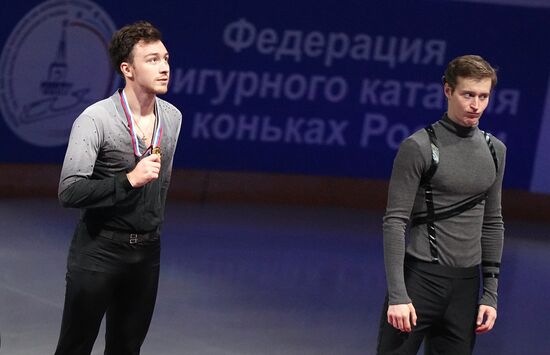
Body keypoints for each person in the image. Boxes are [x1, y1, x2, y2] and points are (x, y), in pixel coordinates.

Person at [54, 21, 181, 355]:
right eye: (152, 59)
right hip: (99, 249)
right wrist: (128, 180)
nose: (165, 67)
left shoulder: (173, 118)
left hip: (146, 254)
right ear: (127, 69)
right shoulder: (95, 119)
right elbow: (69, 191)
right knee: (75, 346)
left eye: (165, 58)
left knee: (127, 349)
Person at [376, 55, 506, 355]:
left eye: (483, 96)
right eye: (468, 94)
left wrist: (490, 294)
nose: (476, 105)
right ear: (448, 91)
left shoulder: (495, 150)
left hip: (465, 288)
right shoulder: (419, 147)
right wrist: (398, 294)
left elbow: (493, 222)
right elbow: (395, 221)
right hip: (420, 281)